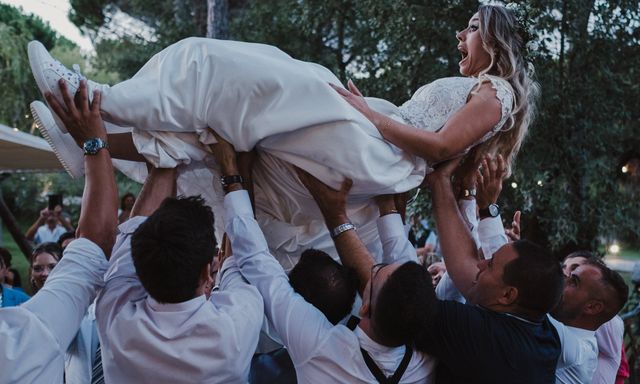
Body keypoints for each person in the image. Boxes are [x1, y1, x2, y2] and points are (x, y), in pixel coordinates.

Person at [29, 4, 538, 268]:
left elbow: (444, 149)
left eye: (471, 27)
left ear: (493, 38)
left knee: (225, 71)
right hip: (377, 148)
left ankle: (95, 98)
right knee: (223, 129)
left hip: (377, 150)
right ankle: (88, 138)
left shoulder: (496, 91)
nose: (460, 35)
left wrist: (370, 113)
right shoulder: (486, 93)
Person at [208, 131, 437, 383]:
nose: (371, 266)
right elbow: (404, 277)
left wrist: (232, 170)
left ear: (364, 305)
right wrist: (388, 205)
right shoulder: (426, 361)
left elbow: (259, 265)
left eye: (373, 272)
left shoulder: (322, 349)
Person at [94, 165, 263, 382]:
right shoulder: (232, 331)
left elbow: (238, 256)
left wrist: (167, 153)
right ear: (206, 272)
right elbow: (240, 251)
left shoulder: (114, 316)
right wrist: (233, 168)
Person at [0, 82, 118, 383]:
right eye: (38, 268)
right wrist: (93, 143)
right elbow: (93, 248)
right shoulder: (17, 341)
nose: (42, 273)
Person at [419, 157, 564, 383]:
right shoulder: (542, 330)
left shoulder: (478, 335)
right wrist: (469, 194)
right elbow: (466, 265)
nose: (481, 263)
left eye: (490, 264)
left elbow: (393, 293)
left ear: (508, 295)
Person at [557, 252, 628, 384]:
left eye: (573, 282)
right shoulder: (583, 342)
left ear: (592, 307)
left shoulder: (571, 348)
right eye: (564, 268)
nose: (564, 277)